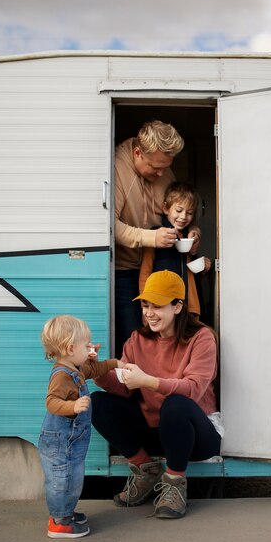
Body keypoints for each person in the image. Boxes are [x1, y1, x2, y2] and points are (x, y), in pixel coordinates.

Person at [91, 270, 223, 519]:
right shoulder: (138, 340)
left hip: (195, 437)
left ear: (178, 306)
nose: (149, 313)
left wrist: (148, 381)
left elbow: (193, 388)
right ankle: (145, 470)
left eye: (157, 306)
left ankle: (174, 484)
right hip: (156, 431)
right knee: (96, 403)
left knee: (175, 403)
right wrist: (97, 368)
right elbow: (123, 386)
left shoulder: (202, 338)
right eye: (145, 305)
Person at [114, 120, 200, 357]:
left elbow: (179, 209)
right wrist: (151, 238)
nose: (162, 174)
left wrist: (194, 233)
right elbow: (109, 227)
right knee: (134, 339)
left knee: (163, 342)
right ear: (138, 153)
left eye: (166, 167)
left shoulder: (163, 168)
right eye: (155, 167)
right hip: (125, 271)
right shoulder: (117, 169)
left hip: (159, 270)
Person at [38, 314, 119, 538]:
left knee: (72, 476)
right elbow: (51, 402)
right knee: (61, 477)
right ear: (71, 348)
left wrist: (114, 364)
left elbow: (94, 370)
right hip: (60, 440)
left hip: (70, 440)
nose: (90, 347)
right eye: (86, 345)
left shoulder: (75, 367)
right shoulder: (62, 375)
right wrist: (73, 406)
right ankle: (59, 523)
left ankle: (66, 513)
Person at [139, 181, 211, 317]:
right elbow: (145, 274)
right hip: (163, 308)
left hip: (189, 307)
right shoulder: (155, 235)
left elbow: (189, 271)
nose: (183, 217)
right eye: (179, 210)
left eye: (189, 213)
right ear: (165, 209)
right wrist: (145, 307)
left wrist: (202, 266)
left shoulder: (190, 237)